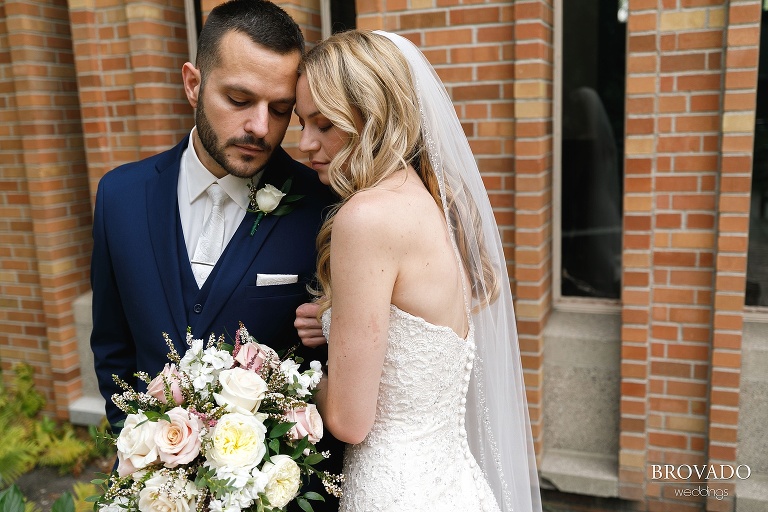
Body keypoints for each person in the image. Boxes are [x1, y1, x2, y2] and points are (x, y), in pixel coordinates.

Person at [90, 1, 340, 508]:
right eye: (239, 99)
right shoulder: (119, 196)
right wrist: (144, 458)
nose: (260, 128)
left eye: (279, 109)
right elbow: (113, 349)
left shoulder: (324, 209)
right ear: (192, 84)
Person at [294, 30, 543, 512]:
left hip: (392, 489)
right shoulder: (432, 203)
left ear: (373, 118)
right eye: (303, 123)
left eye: (324, 124)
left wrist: (280, 389)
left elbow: (350, 420)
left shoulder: (366, 217)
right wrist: (333, 319)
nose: (305, 143)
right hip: (451, 482)